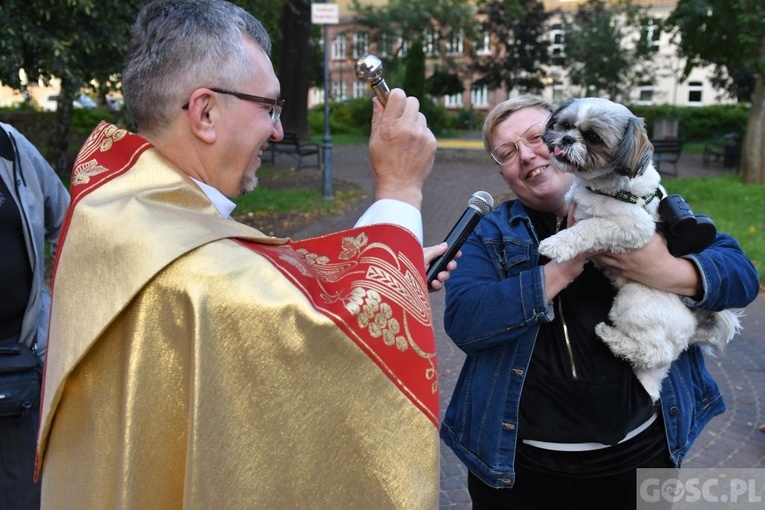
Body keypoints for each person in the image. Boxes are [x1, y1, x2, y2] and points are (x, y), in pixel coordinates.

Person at [36, 1, 449, 508]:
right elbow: (308, 334)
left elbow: (255, 279)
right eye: (268, 107)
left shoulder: (112, 208)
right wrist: (400, 191)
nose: (277, 131)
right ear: (205, 112)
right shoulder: (190, 272)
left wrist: (389, 265)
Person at [439, 96, 760, 509]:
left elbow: (741, 275)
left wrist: (665, 270)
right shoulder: (492, 233)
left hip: (644, 451)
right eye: (507, 152)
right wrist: (560, 270)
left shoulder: (649, 203)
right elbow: (466, 321)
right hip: (519, 465)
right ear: (502, 170)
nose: (529, 155)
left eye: (537, 136)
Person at [0, 122, 69, 509]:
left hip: (21, 365)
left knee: (25, 496)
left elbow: (66, 219)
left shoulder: (11, 146)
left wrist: (68, 302)